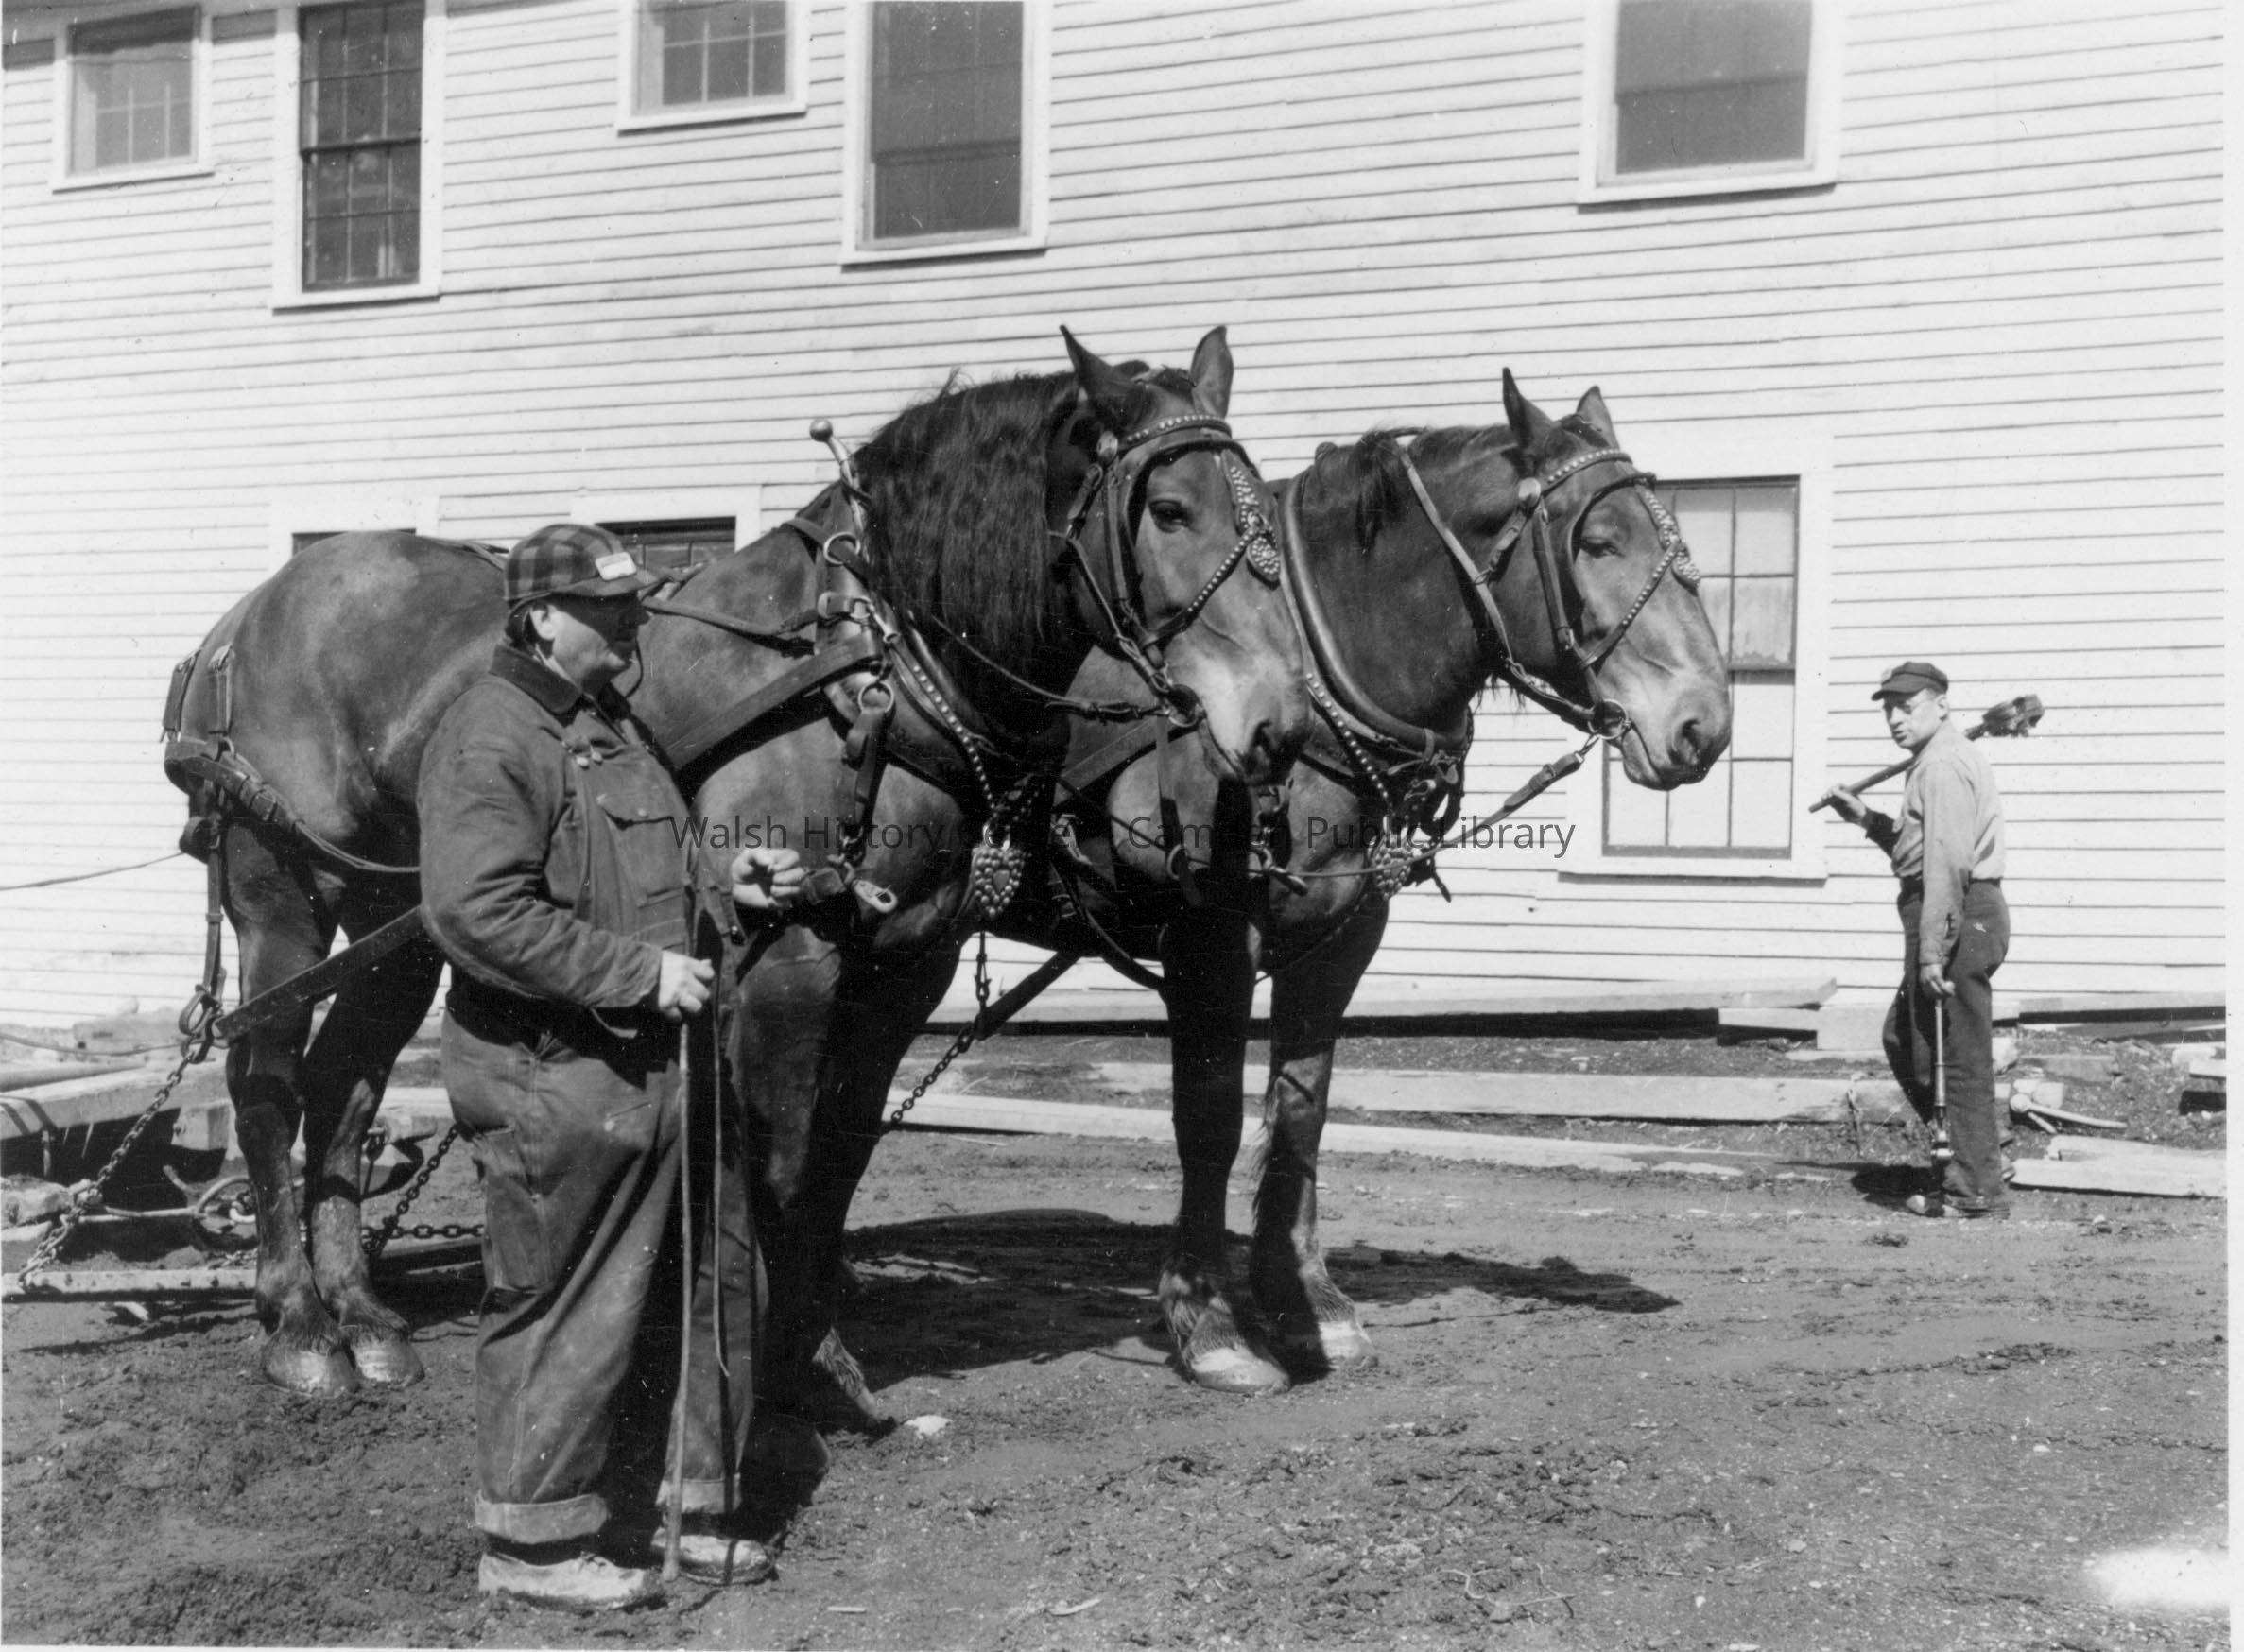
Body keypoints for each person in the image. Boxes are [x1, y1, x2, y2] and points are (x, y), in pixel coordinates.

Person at [420, 523, 807, 1609]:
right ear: (543, 617)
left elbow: (627, 868)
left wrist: (729, 884)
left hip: (656, 1061)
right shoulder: (492, 733)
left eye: (634, 599)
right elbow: (476, 910)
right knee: (566, 1297)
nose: (635, 619)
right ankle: (533, 1543)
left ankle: (689, 1504)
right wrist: (639, 973)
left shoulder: (604, 722)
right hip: (560, 1069)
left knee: (710, 1274)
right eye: (611, 605)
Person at [1825, 662, 2011, 1220]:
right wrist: (1866, 819)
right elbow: (1917, 854)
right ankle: (1983, 1154)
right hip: (1950, 910)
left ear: (1942, 705)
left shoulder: (1942, 766)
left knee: (1955, 1055)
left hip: (1957, 914)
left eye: (1907, 707)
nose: (1894, 719)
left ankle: (1974, 1191)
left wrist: (1934, 951)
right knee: (1908, 1039)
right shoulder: (1933, 762)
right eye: (1888, 709)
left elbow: (1947, 866)